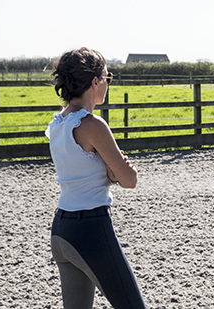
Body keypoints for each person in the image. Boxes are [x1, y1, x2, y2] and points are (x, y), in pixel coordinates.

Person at [46, 47, 147, 309]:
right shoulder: (93, 125)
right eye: (107, 78)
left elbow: (82, 168)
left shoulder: (56, 124)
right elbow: (129, 179)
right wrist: (113, 170)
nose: (108, 83)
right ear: (95, 82)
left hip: (62, 229)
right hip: (91, 228)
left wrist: (109, 170)